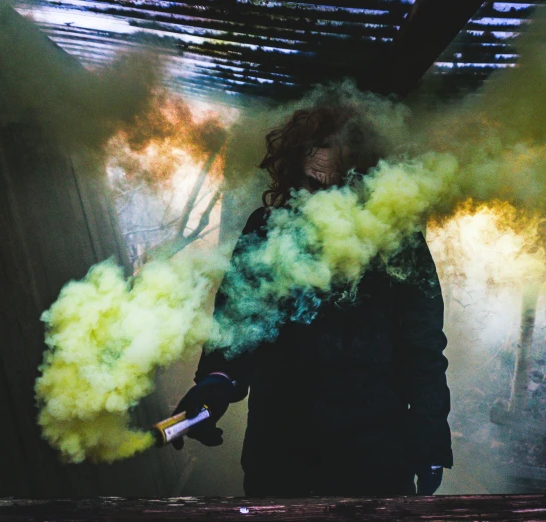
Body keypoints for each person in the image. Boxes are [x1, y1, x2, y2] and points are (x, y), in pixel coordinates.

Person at [171, 105, 452, 497]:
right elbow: (235, 328)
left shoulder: (399, 243)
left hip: (374, 460)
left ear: (364, 179)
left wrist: (429, 438)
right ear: (291, 171)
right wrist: (216, 382)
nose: (322, 198)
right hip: (281, 457)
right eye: (312, 184)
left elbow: (422, 351)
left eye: (336, 186)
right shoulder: (266, 231)